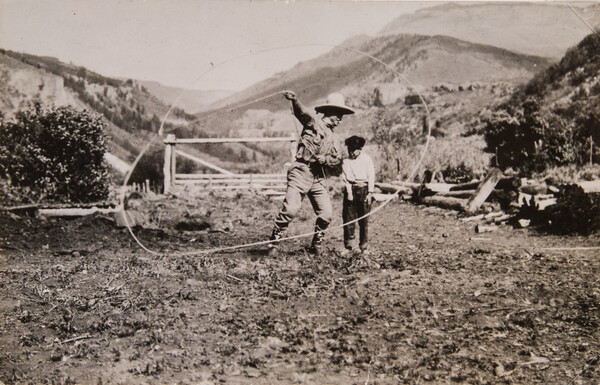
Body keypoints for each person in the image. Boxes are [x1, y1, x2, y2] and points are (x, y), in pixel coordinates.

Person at [269, 91, 355, 255]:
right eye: (339, 115)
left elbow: (336, 160)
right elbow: (301, 113)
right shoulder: (313, 123)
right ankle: (273, 243)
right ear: (331, 112)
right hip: (300, 172)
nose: (341, 119)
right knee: (290, 210)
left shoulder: (335, 138)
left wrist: (326, 160)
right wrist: (295, 100)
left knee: (326, 214)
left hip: (318, 177)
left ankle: (316, 245)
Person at [341, 135, 375, 254]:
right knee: (348, 218)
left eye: (353, 150)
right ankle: (348, 246)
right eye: (349, 150)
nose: (351, 152)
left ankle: (364, 246)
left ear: (360, 149)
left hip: (364, 190)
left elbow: (371, 176)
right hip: (351, 190)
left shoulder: (367, 160)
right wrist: (349, 193)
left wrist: (370, 193)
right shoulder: (346, 162)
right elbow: (346, 179)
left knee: (363, 219)